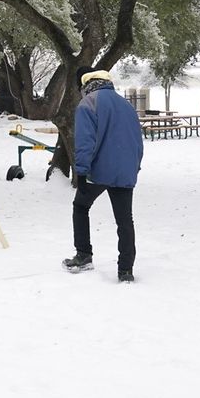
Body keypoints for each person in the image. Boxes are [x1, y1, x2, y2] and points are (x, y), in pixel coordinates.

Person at [64, 68, 144, 281]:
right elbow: (138, 140)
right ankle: (126, 271)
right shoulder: (126, 105)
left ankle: (83, 255)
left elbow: (85, 141)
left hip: (99, 170)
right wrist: (135, 166)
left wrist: (81, 172)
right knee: (125, 220)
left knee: (80, 206)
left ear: (85, 84)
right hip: (126, 168)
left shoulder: (88, 103)